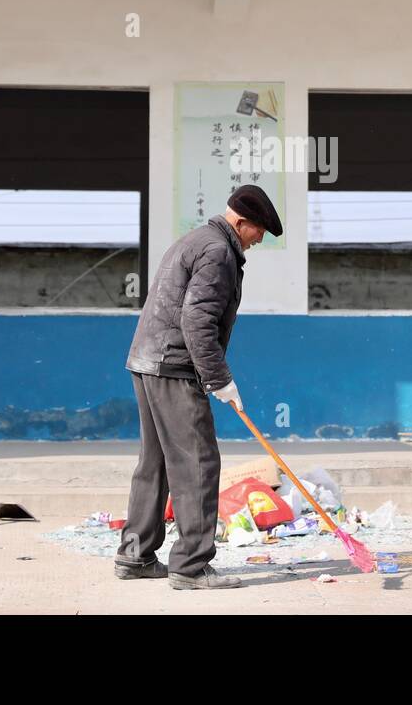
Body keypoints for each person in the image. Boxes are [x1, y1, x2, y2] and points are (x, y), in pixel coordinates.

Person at [114, 185, 282, 590]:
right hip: (173, 366)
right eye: (258, 232)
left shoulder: (194, 239)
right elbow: (197, 321)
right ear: (241, 222)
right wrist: (219, 378)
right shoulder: (219, 252)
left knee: (155, 464)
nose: (258, 241)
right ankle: (190, 566)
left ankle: (135, 555)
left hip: (146, 361)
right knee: (198, 464)